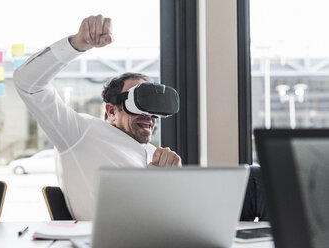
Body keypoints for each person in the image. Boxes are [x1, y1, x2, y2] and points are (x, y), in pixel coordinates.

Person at [14, 15, 268, 221]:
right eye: (139, 102)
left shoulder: (152, 152)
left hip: (180, 224)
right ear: (111, 111)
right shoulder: (79, 133)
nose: (149, 114)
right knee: (258, 181)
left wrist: (175, 184)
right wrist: (78, 43)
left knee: (254, 178)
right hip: (134, 235)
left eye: (154, 106)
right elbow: (28, 84)